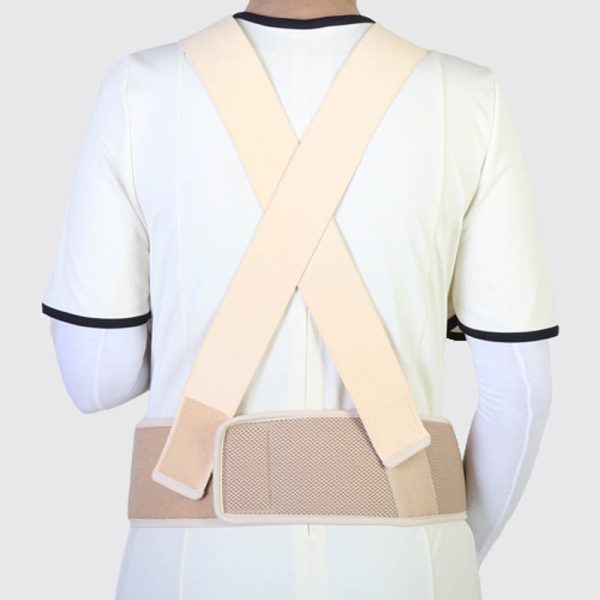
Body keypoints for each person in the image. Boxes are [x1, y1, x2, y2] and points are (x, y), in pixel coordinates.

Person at [42, 1, 559, 598]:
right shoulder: (469, 98)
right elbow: (522, 391)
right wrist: (451, 544)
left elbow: (95, 378)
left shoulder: (139, 89)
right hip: (408, 565)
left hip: (191, 563)